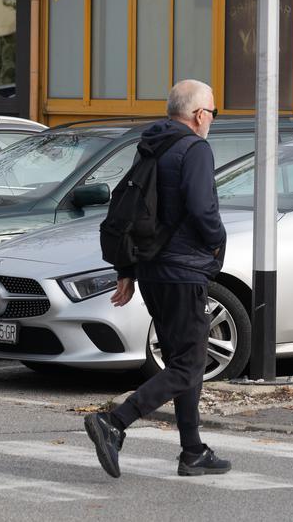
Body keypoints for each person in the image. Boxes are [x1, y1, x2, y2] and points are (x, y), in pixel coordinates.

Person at [84, 79, 231, 479]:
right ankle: (115, 422)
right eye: (213, 112)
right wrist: (219, 241)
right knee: (189, 364)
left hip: (151, 269)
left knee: (181, 361)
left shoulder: (151, 145)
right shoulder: (194, 148)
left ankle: (193, 451)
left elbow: (133, 209)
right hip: (183, 271)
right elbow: (202, 210)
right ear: (200, 114)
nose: (212, 120)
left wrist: (128, 271)